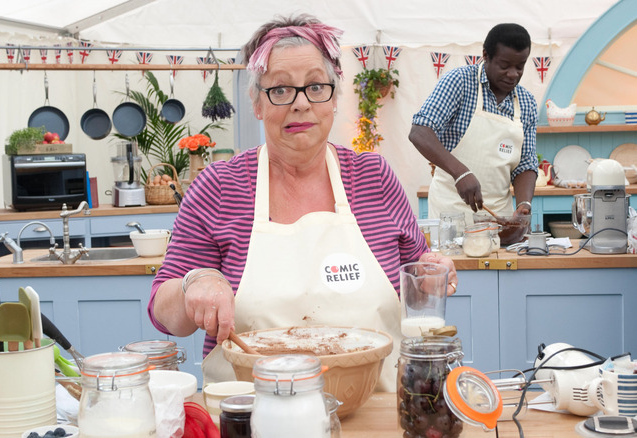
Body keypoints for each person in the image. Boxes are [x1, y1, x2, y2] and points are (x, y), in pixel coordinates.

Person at [148, 14, 457, 390]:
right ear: (257, 104)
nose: (300, 104)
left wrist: (430, 271)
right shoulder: (219, 187)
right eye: (280, 90)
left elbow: (416, 274)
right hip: (255, 414)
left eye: (315, 87)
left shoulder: (374, 177)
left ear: (334, 98)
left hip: (374, 411)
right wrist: (194, 283)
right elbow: (167, 318)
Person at [409, 23, 538, 221]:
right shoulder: (460, 81)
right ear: (486, 55)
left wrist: (524, 204)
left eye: (520, 67)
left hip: (499, 218)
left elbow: (526, 163)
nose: (513, 74)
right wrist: (460, 173)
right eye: (504, 66)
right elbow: (419, 131)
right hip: (450, 213)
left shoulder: (527, 102)